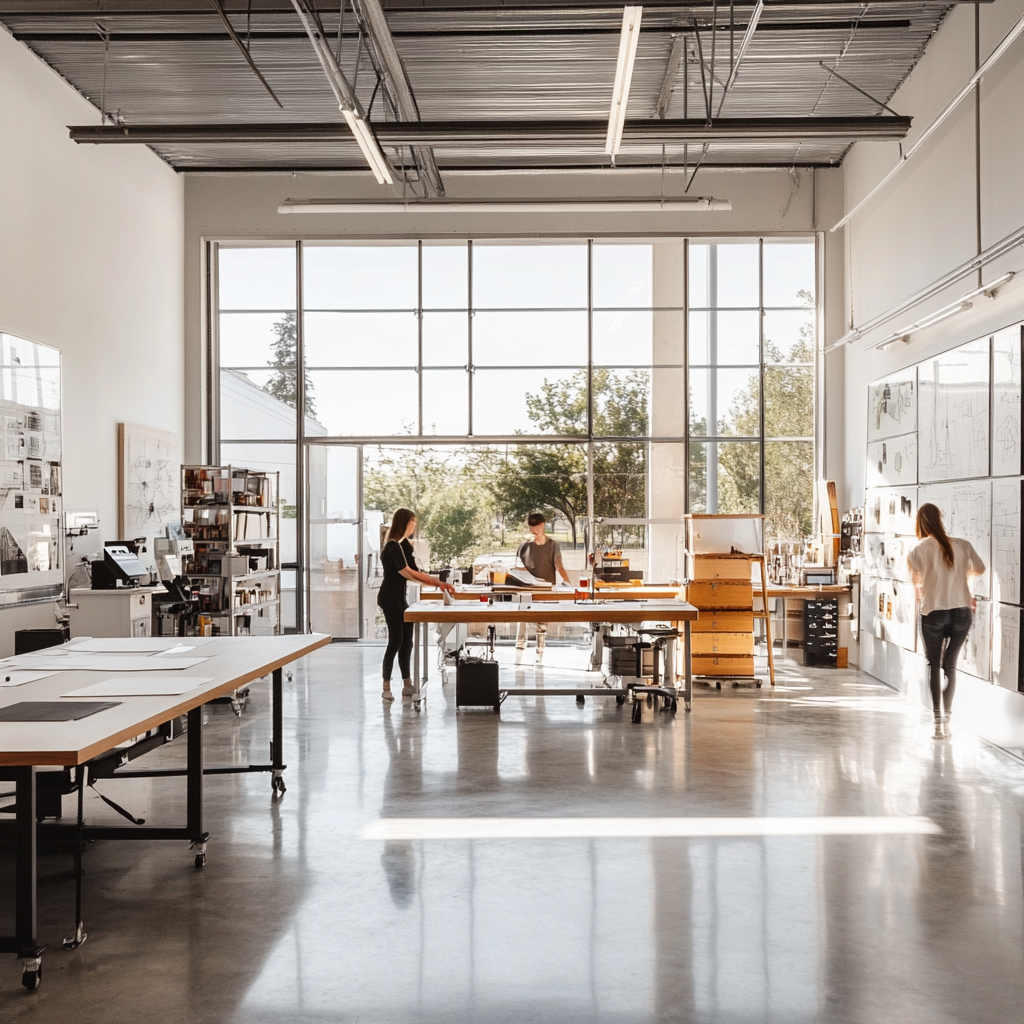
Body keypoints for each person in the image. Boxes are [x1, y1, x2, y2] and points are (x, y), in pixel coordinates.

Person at [907, 503, 985, 739]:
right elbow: (980, 568)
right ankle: (948, 720)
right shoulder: (962, 544)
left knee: (933, 665)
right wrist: (962, 576)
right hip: (961, 612)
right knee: (949, 665)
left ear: (920, 522)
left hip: (934, 613)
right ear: (939, 520)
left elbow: (916, 581)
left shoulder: (918, 549)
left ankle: (938, 724)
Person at [378, 508, 453, 702]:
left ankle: (407, 684)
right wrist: (435, 582)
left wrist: (432, 580)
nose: (415, 525)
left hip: (400, 599)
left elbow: (414, 569)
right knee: (395, 641)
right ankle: (386, 686)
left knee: (407, 642)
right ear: (405, 522)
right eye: (413, 521)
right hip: (389, 597)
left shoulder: (404, 545)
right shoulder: (393, 546)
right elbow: (405, 572)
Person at [515, 511, 572, 662]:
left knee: (542, 624)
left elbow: (559, 565)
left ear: (543, 525)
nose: (534, 530)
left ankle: (539, 654)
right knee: (522, 620)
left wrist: (570, 585)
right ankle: (519, 653)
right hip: (527, 589)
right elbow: (516, 566)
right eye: (531, 527)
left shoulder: (553, 545)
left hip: (546, 589)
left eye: (536, 526)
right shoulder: (524, 546)